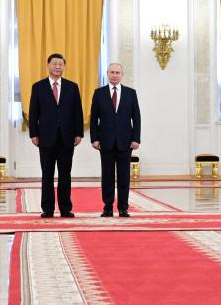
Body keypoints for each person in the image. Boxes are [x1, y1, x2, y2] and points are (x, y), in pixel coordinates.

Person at [28, 53, 82, 218]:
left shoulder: (72, 87)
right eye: (55, 64)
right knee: (47, 174)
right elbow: (33, 113)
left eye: (61, 64)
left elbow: (77, 112)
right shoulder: (38, 87)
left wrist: (79, 133)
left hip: (67, 138)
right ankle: (48, 209)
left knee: (65, 174)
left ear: (64, 67)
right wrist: (33, 133)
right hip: (46, 137)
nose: (58, 67)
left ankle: (66, 208)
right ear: (48, 65)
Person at [90, 62, 141, 217]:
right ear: (107, 73)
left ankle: (123, 207)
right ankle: (107, 207)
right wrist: (94, 138)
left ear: (122, 75)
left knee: (124, 176)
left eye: (117, 73)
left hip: (126, 142)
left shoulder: (130, 93)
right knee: (107, 176)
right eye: (112, 72)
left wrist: (136, 138)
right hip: (105, 142)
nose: (114, 75)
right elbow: (94, 118)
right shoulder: (99, 93)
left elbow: (136, 118)